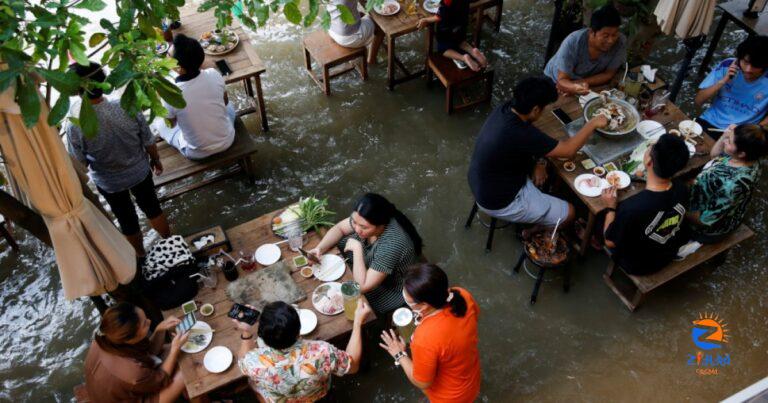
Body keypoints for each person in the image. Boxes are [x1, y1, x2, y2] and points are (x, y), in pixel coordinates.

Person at [467, 76, 608, 227]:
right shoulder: (520, 132)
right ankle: (530, 233)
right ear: (535, 109)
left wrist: (538, 162)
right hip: (499, 199)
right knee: (570, 213)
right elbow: (568, 150)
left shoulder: (506, 109)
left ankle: (539, 208)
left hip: (479, 180)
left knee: (547, 170)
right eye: (544, 107)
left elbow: (523, 143)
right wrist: (592, 123)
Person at [66, 62, 170, 257]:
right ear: (104, 81)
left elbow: (81, 164)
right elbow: (148, 140)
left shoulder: (75, 125)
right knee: (153, 209)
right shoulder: (126, 106)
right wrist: (155, 159)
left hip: (109, 182)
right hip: (139, 172)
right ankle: (171, 243)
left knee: (127, 221)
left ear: (76, 90)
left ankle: (140, 256)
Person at [379, 263, 480, 403]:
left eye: (409, 300)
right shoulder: (461, 294)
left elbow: (422, 382)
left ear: (424, 306)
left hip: (449, 398)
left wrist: (399, 354)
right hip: (471, 380)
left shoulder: (425, 339)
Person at [235, 300, 372, 402]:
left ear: (262, 337)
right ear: (299, 330)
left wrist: (246, 331)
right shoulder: (322, 351)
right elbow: (353, 367)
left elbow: (242, 362)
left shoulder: (254, 362)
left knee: (251, 383)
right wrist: (357, 322)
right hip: (318, 397)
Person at [308, 193, 422, 315]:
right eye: (355, 222)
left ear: (381, 225)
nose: (356, 229)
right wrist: (319, 248)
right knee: (340, 243)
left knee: (349, 300)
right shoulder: (362, 218)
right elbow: (340, 228)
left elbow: (361, 286)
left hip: (390, 286)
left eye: (363, 227)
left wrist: (357, 249)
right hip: (374, 258)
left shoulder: (392, 243)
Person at [602, 134, 691, 275]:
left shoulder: (633, 208)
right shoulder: (682, 189)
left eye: (652, 147)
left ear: (649, 160)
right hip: (666, 253)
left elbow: (610, 242)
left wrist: (610, 207)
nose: (649, 147)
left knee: (601, 221)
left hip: (639, 265)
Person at [83, 302, 189, 403]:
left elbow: (148, 351)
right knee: (185, 373)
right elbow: (161, 379)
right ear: (129, 339)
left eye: (145, 318)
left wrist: (159, 329)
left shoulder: (106, 337)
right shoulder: (133, 373)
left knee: (176, 349)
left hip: (117, 390)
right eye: (144, 324)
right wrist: (174, 351)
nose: (149, 321)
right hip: (135, 397)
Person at [155, 34, 236, 160]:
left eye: (168, 56)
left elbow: (171, 124)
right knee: (230, 106)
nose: (166, 57)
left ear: (180, 69)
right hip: (228, 140)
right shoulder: (214, 74)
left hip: (197, 152)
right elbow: (225, 102)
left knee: (159, 123)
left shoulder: (170, 93)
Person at [688, 124, 767, 243]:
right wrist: (726, 134)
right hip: (723, 206)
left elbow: (703, 222)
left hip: (708, 229)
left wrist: (677, 207)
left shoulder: (731, 184)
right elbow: (715, 156)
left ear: (741, 154)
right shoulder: (754, 157)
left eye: (729, 141)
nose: (725, 141)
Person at [694, 35, 768, 139]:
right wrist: (723, 81)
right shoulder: (727, 65)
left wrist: (754, 130)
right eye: (745, 62)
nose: (748, 69)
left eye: (755, 65)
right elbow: (698, 100)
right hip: (709, 121)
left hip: (741, 134)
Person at [544, 5, 625, 95]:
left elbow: (608, 74)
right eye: (605, 36)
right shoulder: (573, 42)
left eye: (614, 35)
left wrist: (579, 84)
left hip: (584, 82)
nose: (611, 41)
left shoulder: (620, 42)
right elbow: (562, 80)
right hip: (553, 80)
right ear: (592, 32)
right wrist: (570, 86)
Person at [416, 0, 487, 72]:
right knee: (461, 42)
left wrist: (426, 19)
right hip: (461, 24)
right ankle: (472, 51)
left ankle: (463, 58)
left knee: (443, 49)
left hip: (448, 29)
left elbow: (439, 16)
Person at [327, 0, 383, 64]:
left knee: (361, 14)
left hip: (332, 30)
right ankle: (371, 59)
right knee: (380, 22)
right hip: (349, 38)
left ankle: (369, 39)